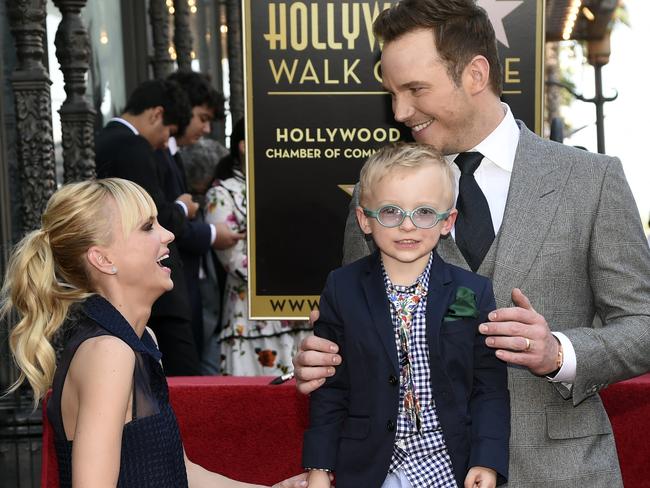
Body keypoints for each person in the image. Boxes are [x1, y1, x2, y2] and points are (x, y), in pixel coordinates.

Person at [293, 0, 650, 486]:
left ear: (476, 74)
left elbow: (643, 326)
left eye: (416, 89)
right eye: (393, 92)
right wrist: (321, 355)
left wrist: (559, 353)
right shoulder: (376, 195)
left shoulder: (591, 180)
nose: (400, 111)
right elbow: (357, 325)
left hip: (561, 472)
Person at [0, 178, 309, 488]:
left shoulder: (140, 339)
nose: (169, 234)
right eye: (148, 227)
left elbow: (179, 472)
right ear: (103, 259)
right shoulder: (110, 351)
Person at [302, 143, 509, 488]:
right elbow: (330, 387)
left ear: (448, 222)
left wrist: (486, 460)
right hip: (369, 468)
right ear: (364, 220)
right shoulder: (343, 288)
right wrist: (319, 467)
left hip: (444, 466)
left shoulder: (466, 293)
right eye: (390, 212)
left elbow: (487, 386)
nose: (408, 226)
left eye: (425, 212)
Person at [96, 79, 201, 376]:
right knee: (184, 384)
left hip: (124, 286)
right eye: (167, 131)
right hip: (154, 289)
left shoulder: (104, 139)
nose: (163, 142)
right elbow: (154, 215)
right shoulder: (132, 145)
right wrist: (182, 207)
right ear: (156, 114)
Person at [205, 118, 312, 375]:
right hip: (251, 319)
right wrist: (297, 273)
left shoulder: (291, 187)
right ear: (243, 146)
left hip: (301, 315)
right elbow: (232, 261)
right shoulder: (222, 193)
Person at [156, 70, 242, 367]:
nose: (206, 129)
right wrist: (210, 233)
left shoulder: (172, 153)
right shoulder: (157, 154)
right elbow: (166, 222)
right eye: (202, 118)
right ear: (181, 108)